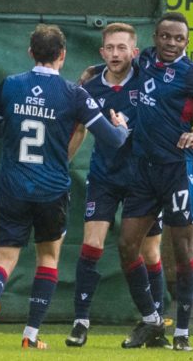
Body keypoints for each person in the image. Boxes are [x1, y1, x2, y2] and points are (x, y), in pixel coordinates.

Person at [0, 24, 129, 349]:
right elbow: (112, 140)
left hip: (13, 187)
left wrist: (17, 123)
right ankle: (30, 335)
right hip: (52, 191)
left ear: (30, 53)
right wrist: (121, 127)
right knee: (48, 258)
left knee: (3, 258)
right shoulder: (73, 94)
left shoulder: (10, 86)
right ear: (63, 55)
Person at [117, 12, 193, 352]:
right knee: (125, 245)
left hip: (178, 170)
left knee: (181, 249)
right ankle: (151, 320)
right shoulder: (145, 59)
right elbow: (116, 59)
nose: (171, 43)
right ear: (156, 36)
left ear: (187, 42)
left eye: (178, 38)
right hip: (144, 171)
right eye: (166, 36)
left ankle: (181, 331)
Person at [64, 23, 169, 348]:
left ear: (134, 52)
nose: (115, 53)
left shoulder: (147, 81)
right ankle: (81, 321)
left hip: (144, 180)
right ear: (101, 51)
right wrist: (60, 164)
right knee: (91, 244)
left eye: (122, 47)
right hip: (105, 178)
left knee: (150, 252)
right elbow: (79, 130)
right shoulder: (90, 88)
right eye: (109, 47)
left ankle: (157, 325)